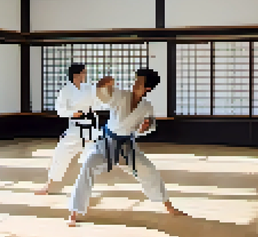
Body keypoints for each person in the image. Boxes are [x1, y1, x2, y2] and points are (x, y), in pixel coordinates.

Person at [66, 68, 186, 227]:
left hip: (127, 147)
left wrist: (145, 126)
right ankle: (74, 211)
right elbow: (103, 94)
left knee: (148, 169)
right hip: (105, 144)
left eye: (140, 83)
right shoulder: (120, 95)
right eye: (136, 80)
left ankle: (168, 206)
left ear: (147, 89)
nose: (135, 84)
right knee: (87, 166)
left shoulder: (146, 106)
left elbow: (149, 125)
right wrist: (104, 83)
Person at [36, 63, 105, 195]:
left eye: (85, 72)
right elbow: (60, 110)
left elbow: (99, 102)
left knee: (91, 158)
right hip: (75, 128)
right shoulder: (66, 90)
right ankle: (49, 185)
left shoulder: (89, 88)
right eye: (83, 72)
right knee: (60, 154)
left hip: (90, 128)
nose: (85, 75)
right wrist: (73, 113)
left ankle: (85, 189)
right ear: (76, 75)